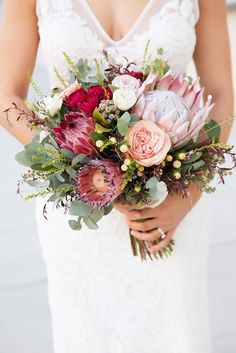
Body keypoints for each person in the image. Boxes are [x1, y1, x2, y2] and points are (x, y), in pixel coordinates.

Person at [0, 1, 234, 352]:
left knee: (176, 334)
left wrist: (189, 195)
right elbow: (7, 94)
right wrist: (70, 159)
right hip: (77, 206)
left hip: (170, 209)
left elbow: (221, 91)